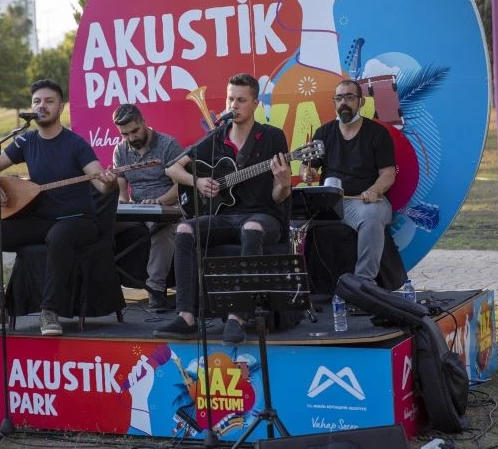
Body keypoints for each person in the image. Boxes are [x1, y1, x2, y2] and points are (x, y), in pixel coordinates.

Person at [0, 79, 117, 336]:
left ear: (61, 108)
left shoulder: (76, 144)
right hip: (42, 220)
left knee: (59, 236)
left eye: (49, 101)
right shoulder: (26, 141)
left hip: (79, 221)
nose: (41, 106)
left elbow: (101, 184)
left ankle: (50, 311)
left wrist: (109, 183)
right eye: (37, 101)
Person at [153, 73, 292, 345]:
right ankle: (186, 317)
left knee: (252, 228)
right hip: (224, 216)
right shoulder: (216, 138)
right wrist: (198, 182)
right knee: (184, 229)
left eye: (241, 100)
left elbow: (279, 196)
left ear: (255, 104)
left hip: (264, 216)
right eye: (230, 99)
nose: (234, 105)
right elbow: (172, 168)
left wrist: (284, 183)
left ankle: (237, 317)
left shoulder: (272, 136)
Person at [300, 79, 396, 282]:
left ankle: (363, 284)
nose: (343, 102)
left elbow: (388, 173)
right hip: (329, 203)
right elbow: (307, 166)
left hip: (363, 202)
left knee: (371, 217)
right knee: (293, 220)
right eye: (339, 98)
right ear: (334, 102)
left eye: (350, 97)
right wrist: (306, 173)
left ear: (361, 102)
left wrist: (374, 191)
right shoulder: (323, 133)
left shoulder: (377, 133)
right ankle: (302, 284)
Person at [111, 103, 184, 309]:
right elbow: (122, 185)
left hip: (167, 207)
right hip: (136, 209)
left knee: (163, 228)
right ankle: (106, 290)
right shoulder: (120, 150)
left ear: (143, 122)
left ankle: (155, 291)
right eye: (125, 134)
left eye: (134, 131)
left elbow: (181, 185)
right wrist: (122, 203)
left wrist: (160, 201)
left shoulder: (168, 145)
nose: (131, 138)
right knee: (100, 226)